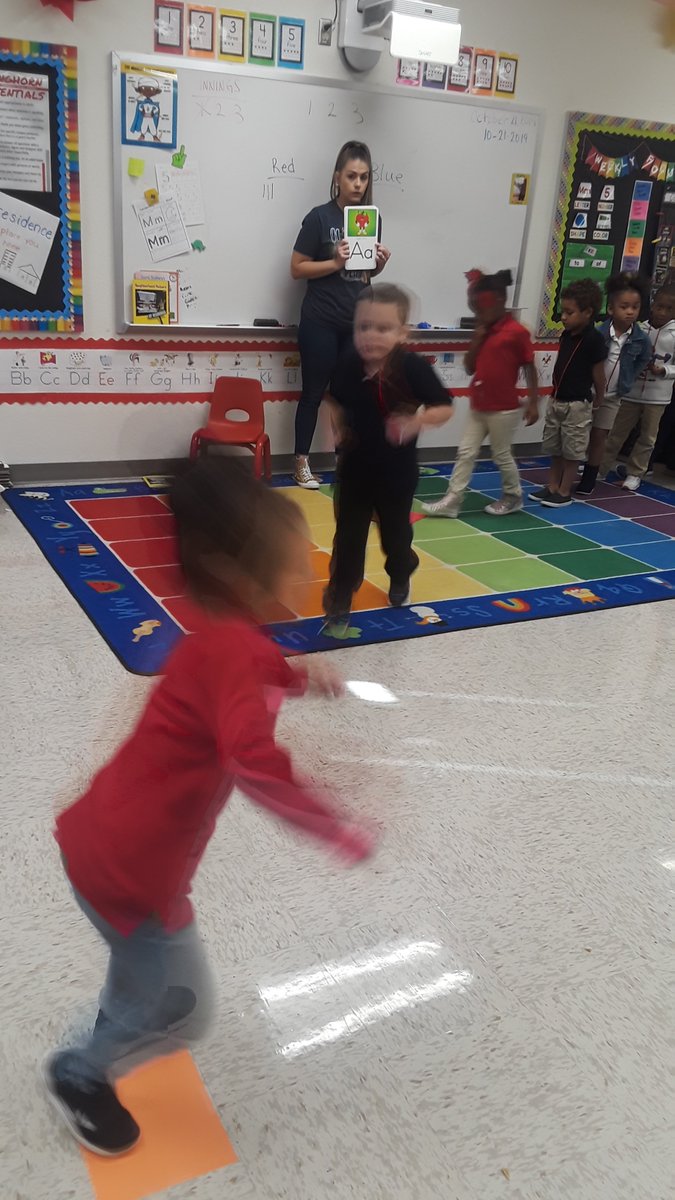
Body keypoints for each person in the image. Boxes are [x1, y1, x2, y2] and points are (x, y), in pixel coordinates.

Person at [44, 460, 375, 1157]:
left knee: (137, 972)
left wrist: (295, 678)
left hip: (99, 840)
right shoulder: (232, 653)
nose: (303, 575)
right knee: (183, 1010)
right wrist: (335, 827)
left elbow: (243, 669)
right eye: (293, 565)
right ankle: (80, 1072)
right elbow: (253, 763)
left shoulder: (211, 629)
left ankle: (113, 1017)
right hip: (137, 873)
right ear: (243, 578)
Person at [322, 283, 453, 633]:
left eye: (382, 328)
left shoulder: (412, 368)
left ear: (401, 332)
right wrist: (335, 428)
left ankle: (401, 571)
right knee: (348, 537)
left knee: (395, 537)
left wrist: (416, 421)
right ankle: (340, 593)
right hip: (354, 469)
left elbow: (444, 407)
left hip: (396, 474)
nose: (370, 336)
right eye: (363, 327)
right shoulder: (348, 363)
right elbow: (332, 399)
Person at [290, 141, 391, 489]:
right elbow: (296, 268)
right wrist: (334, 261)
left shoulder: (371, 219)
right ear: (338, 177)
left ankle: (344, 463)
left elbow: (364, 274)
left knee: (349, 396)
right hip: (319, 321)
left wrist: (378, 266)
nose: (358, 184)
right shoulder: (319, 217)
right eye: (351, 176)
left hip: (355, 324)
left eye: (364, 177)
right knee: (313, 393)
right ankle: (301, 462)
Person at [422, 269, 539, 520]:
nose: (478, 311)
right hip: (480, 404)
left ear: (499, 300)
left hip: (504, 407)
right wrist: (478, 337)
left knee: (501, 454)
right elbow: (469, 367)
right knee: (466, 451)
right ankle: (453, 499)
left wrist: (533, 402)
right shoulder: (483, 329)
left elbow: (530, 365)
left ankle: (513, 495)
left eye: (481, 304)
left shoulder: (516, 332)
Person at [530, 279, 607, 508]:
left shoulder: (594, 340)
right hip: (558, 399)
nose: (563, 316)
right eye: (563, 311)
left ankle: (564, 490)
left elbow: (599, 374)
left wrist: (599, 398)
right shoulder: (565, 335)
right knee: (555, 447)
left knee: (572, 450)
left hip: (577, 404)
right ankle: (552, 486)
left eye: (569, 312)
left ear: (588, 313)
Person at [576, 272, 652, 495]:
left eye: (635, 307)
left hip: (613, 395)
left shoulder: (640, 338)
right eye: (624, 306)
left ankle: (590, 477)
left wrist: (628, 379)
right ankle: (570, 469)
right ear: (611, 309)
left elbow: (644, 358)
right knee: (580, 433)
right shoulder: (598, 333)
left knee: (600, 436)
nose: (630, 311)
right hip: (589, 393)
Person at [598, 282, 675, 490]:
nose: (662, 312)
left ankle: (635, 473)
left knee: (648, 437)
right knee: (616, 433)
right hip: (630, 392)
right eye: (659, 306)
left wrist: (665, 371)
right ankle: (600, 467)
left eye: (669, 308)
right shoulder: (639, 329)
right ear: (652, 305)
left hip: (658, 396)